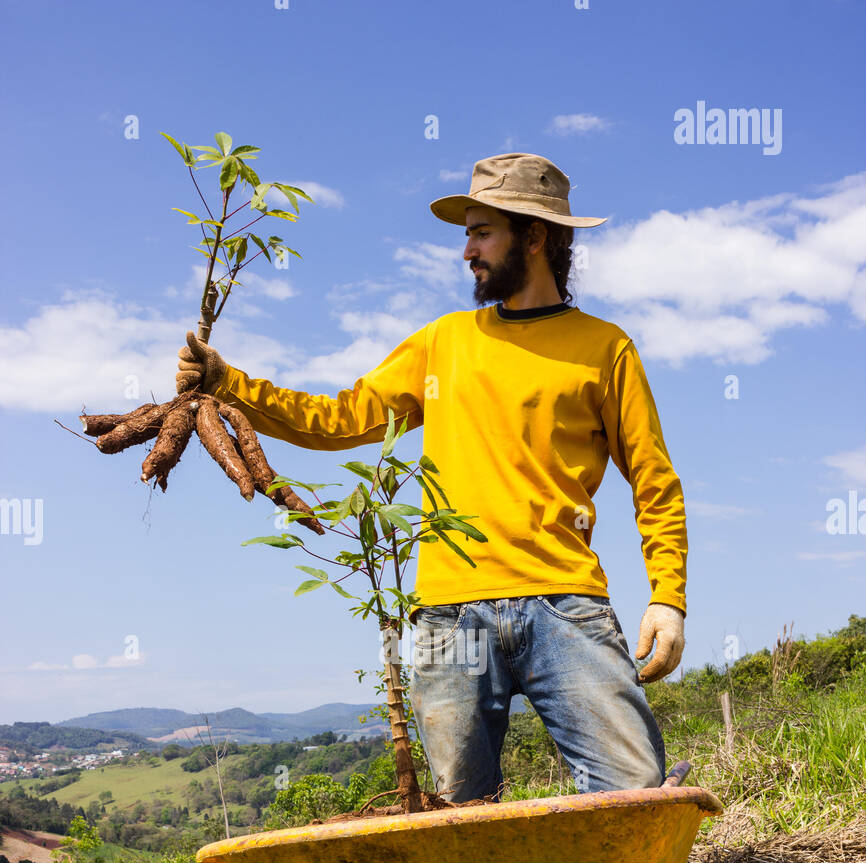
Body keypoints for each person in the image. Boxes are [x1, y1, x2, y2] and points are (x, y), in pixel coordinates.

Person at [176, 152, 687, 804]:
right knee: (458, 815)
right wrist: (227, 382)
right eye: (466, 233)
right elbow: (340, 419)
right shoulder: (443, 343)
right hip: (451, 618)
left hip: (566, 603)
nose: (466, 251)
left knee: (637, 795)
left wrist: (667, 595)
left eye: (481, 232)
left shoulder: (605, 348)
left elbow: (653, 478)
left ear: (535, 236)